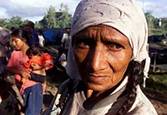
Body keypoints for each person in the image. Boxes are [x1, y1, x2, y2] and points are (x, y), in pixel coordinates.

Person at [49, 0, 157, 115]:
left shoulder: (140, 112)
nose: (95, 65)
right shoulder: (67, 91)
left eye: (115, 46)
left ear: (134, 53)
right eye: (84, 44)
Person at [7, 28, 43, 115]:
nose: (13, 44)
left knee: (32, 113)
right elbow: (9, 68)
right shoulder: (15, 53)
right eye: (12, 41)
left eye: (16, 41)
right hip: (22, 89)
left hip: (33, 88)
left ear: (24, 40)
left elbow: (42, 71)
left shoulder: (33, 52)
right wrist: (20, 72)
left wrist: (43, 85)